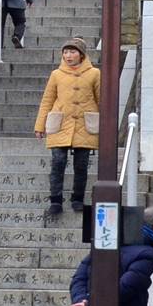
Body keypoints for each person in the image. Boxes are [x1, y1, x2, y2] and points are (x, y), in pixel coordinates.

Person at [35, 37, 102, 215]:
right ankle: (55, 200)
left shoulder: (95, 73)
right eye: (65, 52)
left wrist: (106, 125)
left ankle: (78, 198)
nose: (68, 55)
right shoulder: (56, 74)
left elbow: (102, 99)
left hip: (85, 124)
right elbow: (47, 100)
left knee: (81, 164)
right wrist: (40, 125)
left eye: (72, 52)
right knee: (58, 162)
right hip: (60, 122)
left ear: (81, 54)